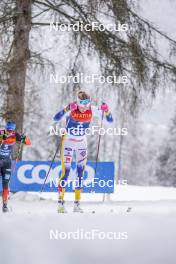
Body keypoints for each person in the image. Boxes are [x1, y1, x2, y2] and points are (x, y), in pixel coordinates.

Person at [53, 91, 113, 213]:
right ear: (77, 102)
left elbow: (110, 119)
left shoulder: (92, 109)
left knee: (80, 173)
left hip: (81, 143)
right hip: (68, 141)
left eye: (86, 105)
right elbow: (56, 118)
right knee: (66, 171)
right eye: (82, 105)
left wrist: (106, 110)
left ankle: (77, 204)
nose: (84, 108)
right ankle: (60, 203)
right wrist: (66, 109)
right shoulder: (72, 108)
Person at [0, 121, 31, 212]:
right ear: (6, 128)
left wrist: (24, 138)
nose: (10, 132)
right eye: (8, 130)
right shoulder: (1, 133)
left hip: (7, 162)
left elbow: (28, 143)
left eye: (11, 130)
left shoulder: (15, 135)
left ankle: (5, 205)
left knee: (6, 184)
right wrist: (2, 138)